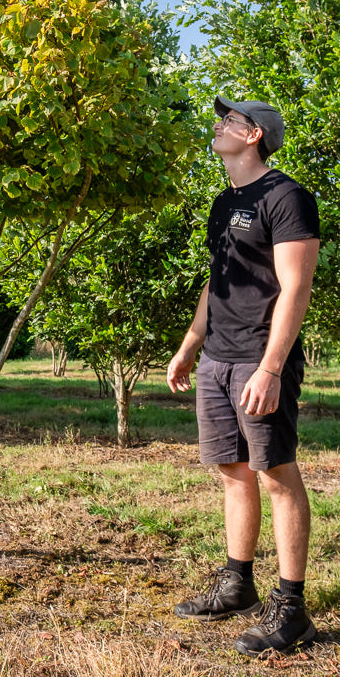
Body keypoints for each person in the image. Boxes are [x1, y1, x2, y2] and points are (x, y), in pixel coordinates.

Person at [166, 95, 320, 658]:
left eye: (229, 120)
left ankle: (292, 608)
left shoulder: (287, 197)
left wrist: (272, 367)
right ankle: (238, 583)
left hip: (260, 358)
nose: (218, 125)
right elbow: (219, 281)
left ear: (254, 135)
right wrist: (189, 348)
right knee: (233, 471)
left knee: (275, 472)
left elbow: (296, 287)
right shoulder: (223, 202)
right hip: (218, 359)